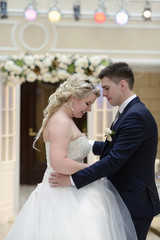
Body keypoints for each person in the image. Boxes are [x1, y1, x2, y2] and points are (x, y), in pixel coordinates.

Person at [4, 73, 137, 240]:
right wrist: (92, 169)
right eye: (88, 103)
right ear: (74, 98)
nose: (89, 109)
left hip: (73, 189)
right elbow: (59, 163)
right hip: (62, 196)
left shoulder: (65, 119)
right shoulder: (61, 122)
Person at [49, 63, 160, 240]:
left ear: (122, 85)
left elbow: (114, 160)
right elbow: (117, 147)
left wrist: (71, 180)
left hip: (134, 202)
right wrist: (85, 143)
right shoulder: (127, 112)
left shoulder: (135, 115)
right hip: (124, 198)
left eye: (107, 88)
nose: (104, 94)